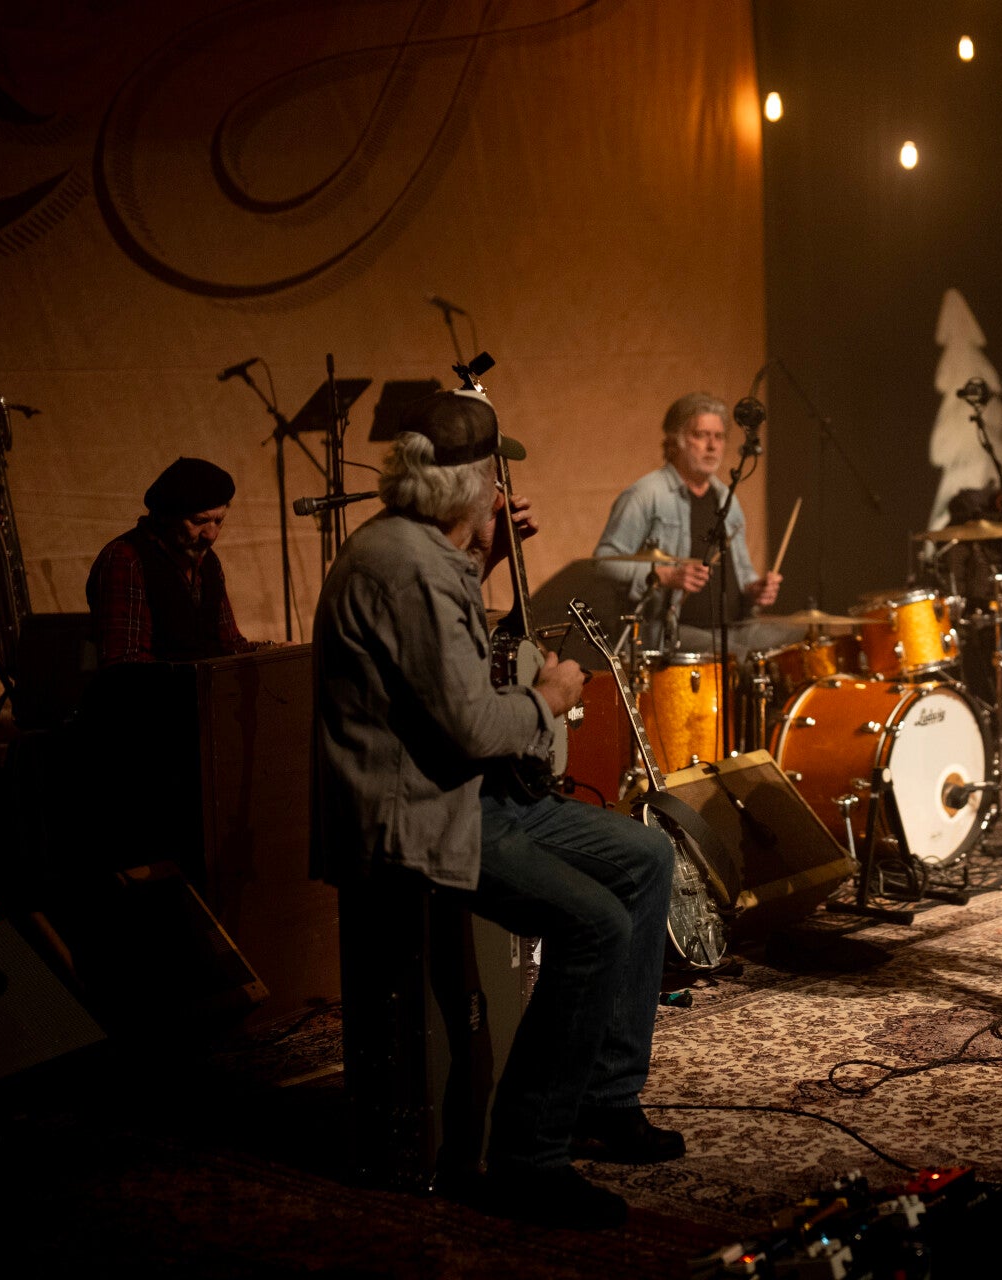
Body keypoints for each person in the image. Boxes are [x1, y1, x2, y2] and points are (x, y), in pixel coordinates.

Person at [310, 389, 679, 1230]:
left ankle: (603, 1098)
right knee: (595, 923)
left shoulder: (420, 550)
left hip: (467, 796)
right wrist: (550, 697)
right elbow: (472, 724)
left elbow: (444, 660)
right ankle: (529, 1155)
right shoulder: (407, 567)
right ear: (469, 487)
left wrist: (489, 555)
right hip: (419, 815)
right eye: (493, 481)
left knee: (646, 856)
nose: (502, 495)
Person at [594, 392, 787, 654]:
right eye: (701, 435)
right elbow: (602, 563)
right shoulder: (646, 495)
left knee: (799, 642)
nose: (712, 446)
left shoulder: (726, 499)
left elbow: (743, 572)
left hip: (734, 626)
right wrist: (665, 575)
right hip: (671, 631)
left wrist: (755, 589)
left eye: (719, 436)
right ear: (676, 441)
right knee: (736, 658)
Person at [85, 457, 261, 664]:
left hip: (202, 684)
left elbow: (230, 645)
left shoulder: (208, 561)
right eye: (199, 521)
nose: (211, 535)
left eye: (219, 521)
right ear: (166, 517)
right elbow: (125, 663)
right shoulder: (126, 559)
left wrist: (270, 651)